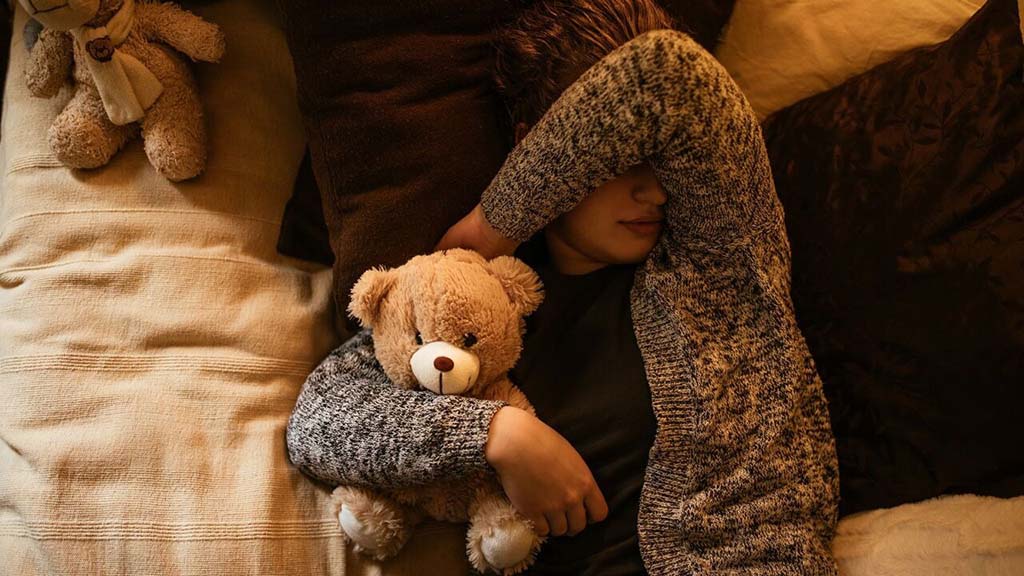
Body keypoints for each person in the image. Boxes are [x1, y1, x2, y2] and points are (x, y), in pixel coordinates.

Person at [286, 1, 840, 574]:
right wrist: (498, 435)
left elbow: (670, 77)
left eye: (663, 162)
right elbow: (317, 423)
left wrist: (489, 225)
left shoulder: (721, 263)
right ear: (539, 152)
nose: (654, 191)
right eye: (623, 159)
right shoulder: (478, 312)